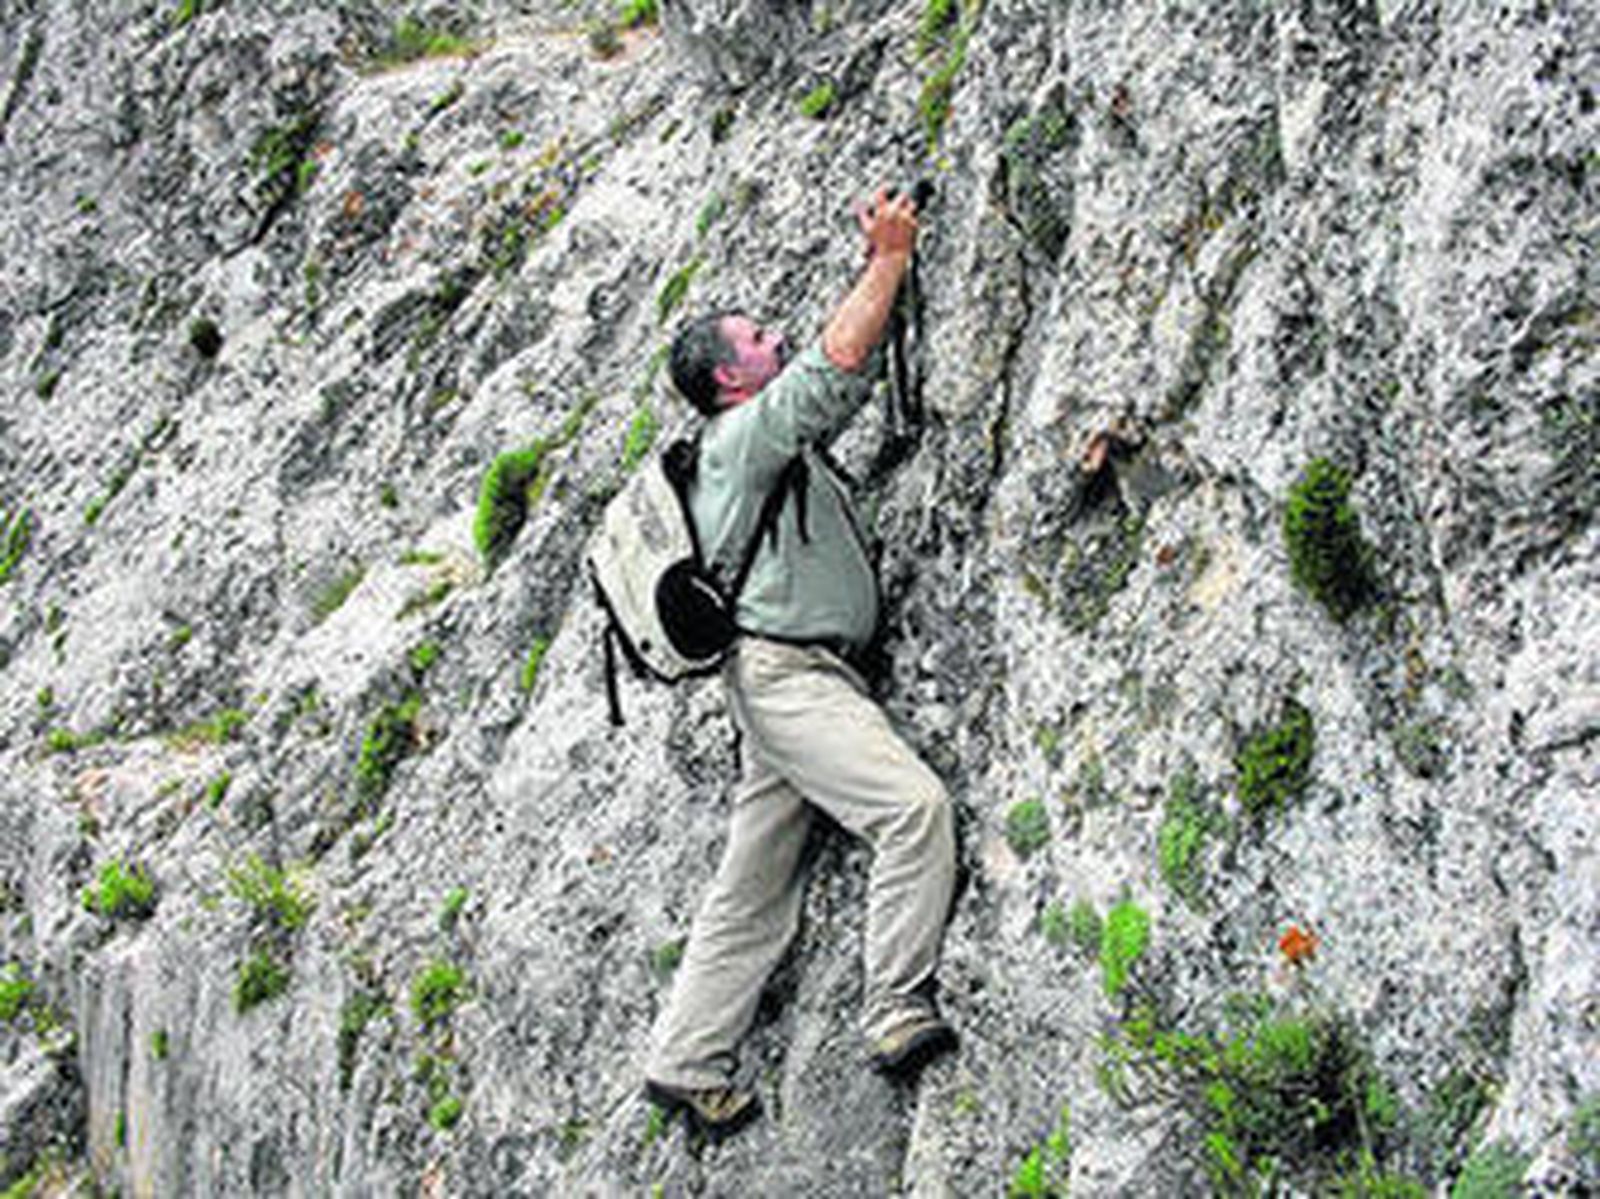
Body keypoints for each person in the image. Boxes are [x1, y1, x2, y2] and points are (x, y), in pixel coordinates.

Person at [641, 187, 958, 1139]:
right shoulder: (742, 441)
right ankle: (896, 1006)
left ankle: (687, 1060)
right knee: (912, 811)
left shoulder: (751, 441)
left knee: (754, 884)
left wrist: (877, 270)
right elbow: (839, 359)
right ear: (729, 383)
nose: (775, 335)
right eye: (756, 339)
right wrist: (890, 260)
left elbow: (833, 365)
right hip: (792, 678)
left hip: (779, 683)